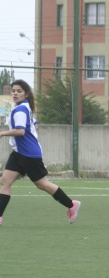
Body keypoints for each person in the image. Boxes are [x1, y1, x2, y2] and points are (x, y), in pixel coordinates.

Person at [0, 80, 81, 225]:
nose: (15, 93)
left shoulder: (21, 109)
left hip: (29, 154)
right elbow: (34, 123)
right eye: (13, 91)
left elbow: (20, 131)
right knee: (5, 181)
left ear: (26, 94)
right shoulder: (22, 108)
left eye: (19, 91)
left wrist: (2, 133)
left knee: (42, 184)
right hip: (18, 152)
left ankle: (71, 205)